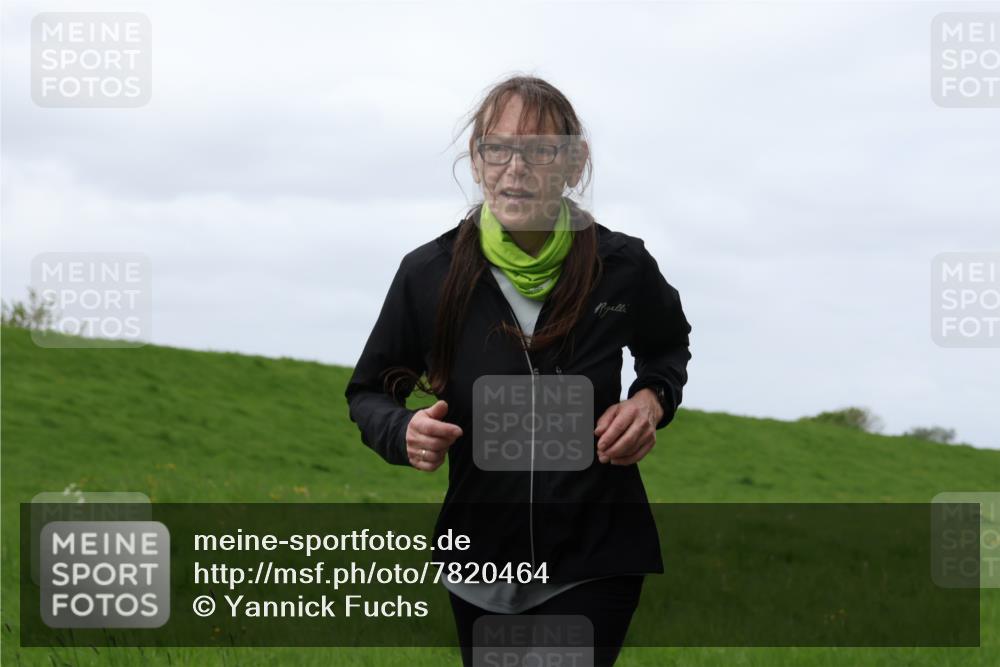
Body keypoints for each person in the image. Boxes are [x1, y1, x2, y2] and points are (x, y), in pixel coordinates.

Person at [345, 74, 691, 666]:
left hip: (595, 551)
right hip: (479, 559)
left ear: (573, 163)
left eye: (539, 150)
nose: (515, 167)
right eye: (497, 148)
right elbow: (371, 390)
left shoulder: (622, 265)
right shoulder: (428, 273)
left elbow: (667, 349)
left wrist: (648, 402)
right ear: (477, 163)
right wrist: (400, 431)